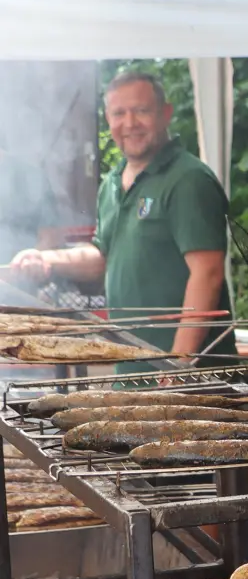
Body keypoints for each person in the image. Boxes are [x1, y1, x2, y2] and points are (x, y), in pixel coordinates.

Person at [8, 72, 234, 362]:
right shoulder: (112, 183)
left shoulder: (188, 180)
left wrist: (179, 364)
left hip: (188, 372)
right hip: (132, 367)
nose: (130, 123)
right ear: (108, 119)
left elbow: (208, 273)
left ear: (165, 113)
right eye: (119, 113)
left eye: (141, 110)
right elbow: (102, 258)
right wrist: (46, 259)